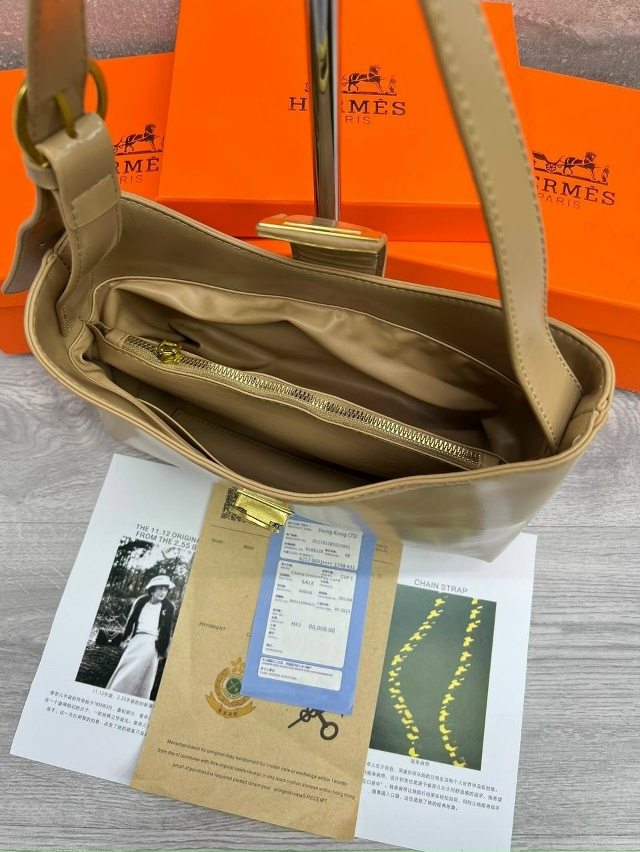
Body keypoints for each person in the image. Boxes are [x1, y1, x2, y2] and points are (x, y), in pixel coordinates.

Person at [106, 575, 176, 699]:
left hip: (152, 644)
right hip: (136, 640)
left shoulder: (168, 607)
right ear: (152, 589)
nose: (163, 592)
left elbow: (166, 631)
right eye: (160, 588)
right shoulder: (141, 601)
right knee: (124, 670)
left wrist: (161, 650)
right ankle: (114, 694)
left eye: (165, 589)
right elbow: (130, 621)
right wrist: (126, 639)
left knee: (142, 675)